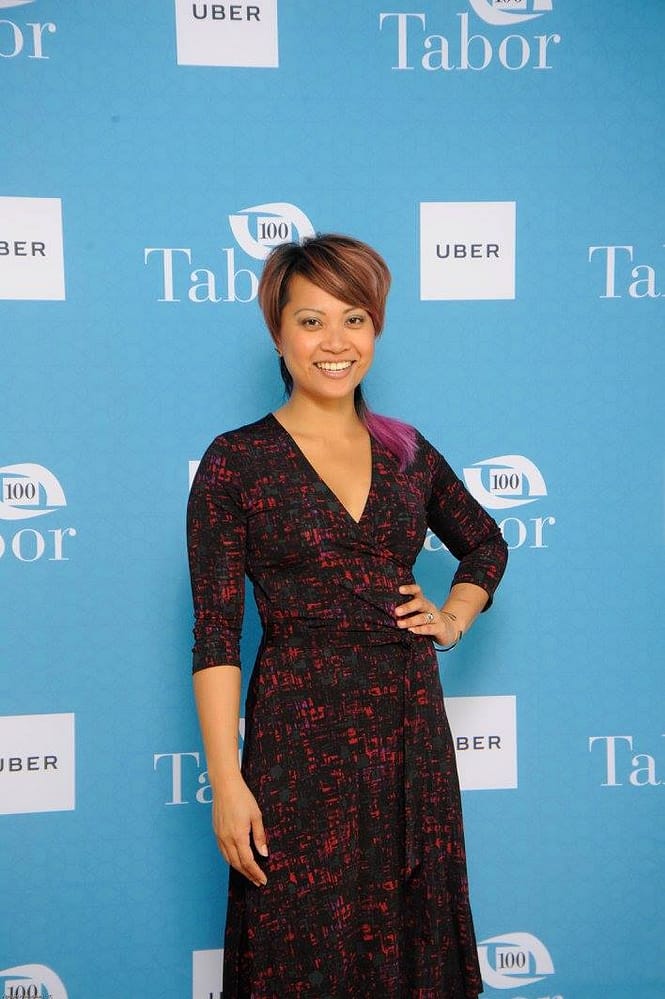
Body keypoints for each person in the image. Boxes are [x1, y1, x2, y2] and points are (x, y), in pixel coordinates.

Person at [187, 233, 508, 997]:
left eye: (354, 319)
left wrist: (452, 616)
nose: (335, 342)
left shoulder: (406, 451)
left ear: (375, 329)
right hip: (299, 739)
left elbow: (485, 542)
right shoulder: (236, 461)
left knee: (411, 936)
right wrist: (226, 780)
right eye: (311, 321)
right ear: (277, 333)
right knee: (300, 942)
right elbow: (215, 634)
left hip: (407, 730)